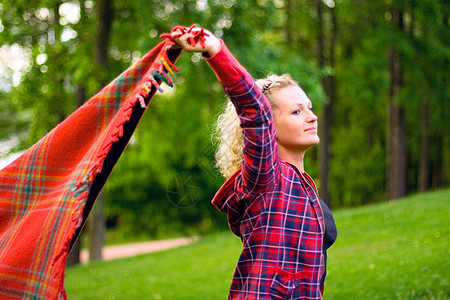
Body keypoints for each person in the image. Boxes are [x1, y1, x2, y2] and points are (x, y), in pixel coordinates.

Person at [170, 26, 337, 299]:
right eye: (297, 111)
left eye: (309, 107)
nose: (312, 116)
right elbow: (254, 111)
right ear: (270, 126)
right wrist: (215, 50)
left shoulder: (303, 185)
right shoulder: (266, 177)